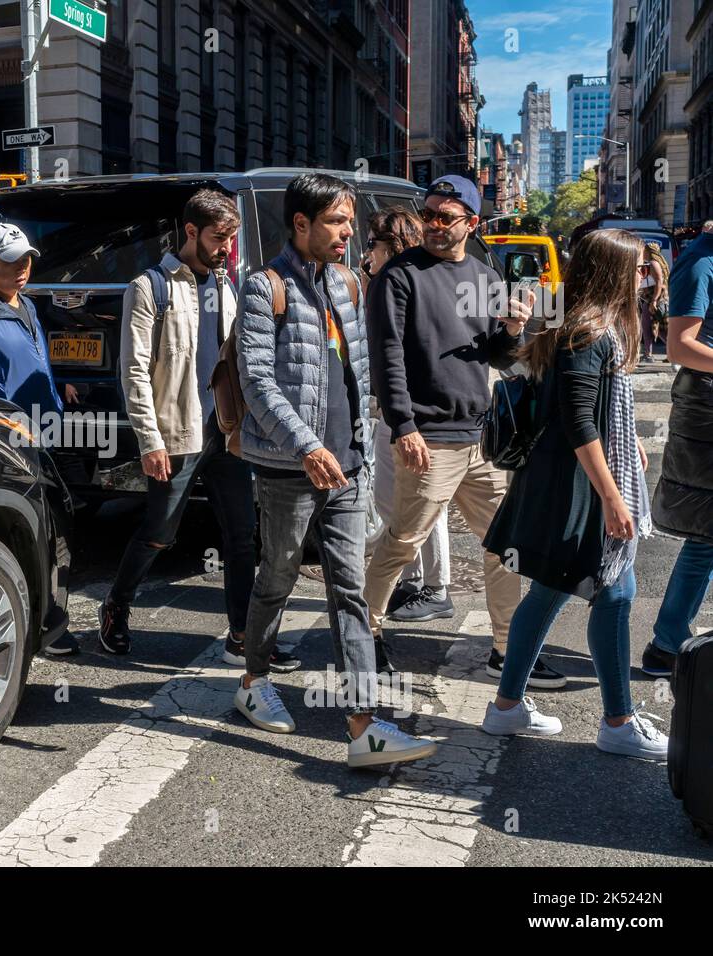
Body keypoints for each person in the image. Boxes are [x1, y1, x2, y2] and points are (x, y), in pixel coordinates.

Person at [232, 172, 436, 767]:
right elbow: (257, 382)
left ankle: (364, 724)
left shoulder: (346, 282)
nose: (350, 231)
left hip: (344, 467)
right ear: (301, 224)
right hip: (288, 468)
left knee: (349, 589)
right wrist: (305, 448)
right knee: (277, 575)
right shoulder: (262, 287)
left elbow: (361, 373)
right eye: (338, 222)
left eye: (350, 222)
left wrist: (364, 453)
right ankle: (253, 681)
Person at [481, 229, 666, 761]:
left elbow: (595, 406)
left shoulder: (586, 324)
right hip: (576, 490)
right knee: (611, 593)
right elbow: (578, 420)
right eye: (635, 269)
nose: (642, 278)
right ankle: (617, 722)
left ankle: (509, 707)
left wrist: (628, 439)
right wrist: (612, 497)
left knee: (559, 592)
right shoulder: (589, 331)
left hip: (568, 482)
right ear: (613, 271)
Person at [363, 175, 547, 684]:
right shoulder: (399, 277)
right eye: (430, 214)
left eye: (446, 216)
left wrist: (512, 329)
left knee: (504, 544)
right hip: (428, 435)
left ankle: (507, 648)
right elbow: (387, 356)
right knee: (403, 540)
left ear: (472, 222)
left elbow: (499, 355)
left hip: (481, 438)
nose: (435, 225)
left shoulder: (486, 278)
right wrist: (403, 425)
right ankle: (366, 634)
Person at [97, 188, 275, 669]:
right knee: (160, 531)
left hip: (227, 430)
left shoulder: (226, 283)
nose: (227, 249)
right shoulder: (150, 286)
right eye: (220, 238)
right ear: (190, 231)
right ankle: (116, 605)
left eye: (232, 239)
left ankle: (241, 635)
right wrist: (149, 440)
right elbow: (133, 370)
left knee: (242, 537)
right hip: (178, 431)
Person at [0, 221, 81, 656]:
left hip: (43, 430)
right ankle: (43, 626)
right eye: (9, 262)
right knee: (36, 531)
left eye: (25, 259)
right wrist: (11, 423)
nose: (21, 269)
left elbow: (30, 358)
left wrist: (55, 385)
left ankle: (47, 620)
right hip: (9, 440)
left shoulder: (25, 304)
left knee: (55, 527)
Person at [362, 207, 454, 624]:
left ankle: (435, 587)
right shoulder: (394, 280)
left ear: (392, 245)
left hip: (411, 417)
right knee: (404, 504)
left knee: (419, 506)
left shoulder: (401, 282)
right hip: (401, 414)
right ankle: (414, 581)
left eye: (371, 245)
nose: (366, 254)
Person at [644, 222, 713, 677]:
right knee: (706, 536)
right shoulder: (704, 261)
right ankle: (667, 641)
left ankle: (668, 641)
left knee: (708, 538)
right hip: (707, 412)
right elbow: (679, 346)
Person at [638, 242, 668, 362]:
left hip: (654, 300)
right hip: (654, 299)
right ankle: (670, 353)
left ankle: (648, 354)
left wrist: (654, 301)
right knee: (658, 328)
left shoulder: (653, 263)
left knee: (649, 327)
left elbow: (659, 282)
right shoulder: (657, 263)